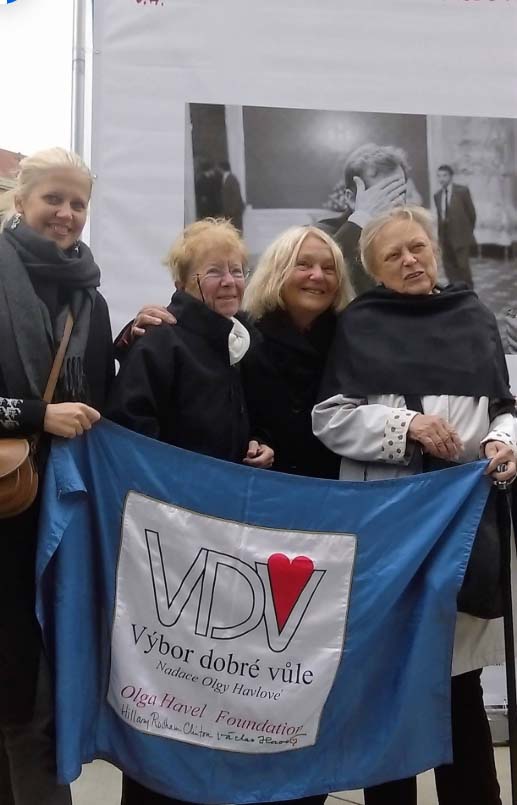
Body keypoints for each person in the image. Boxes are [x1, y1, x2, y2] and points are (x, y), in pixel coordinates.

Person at [312, 205, 516, 805]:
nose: (410, 260)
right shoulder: (360, 323)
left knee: (460, 686)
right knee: (387, 684)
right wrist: (407, 426)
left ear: (435, 251)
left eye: (417, 247)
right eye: (393, 254)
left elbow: (504, 406)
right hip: (389, 526)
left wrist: (503, 440)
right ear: (375, 270)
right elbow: (330, 418)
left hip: (463, 524)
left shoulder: (473, 315)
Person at [105, 218, 274, 804]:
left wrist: (257, 447)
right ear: (184, 281)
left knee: (205, 692)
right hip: (169, 549)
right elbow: (132, 435)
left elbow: (240, 423)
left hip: (221, 548)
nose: (230, 281)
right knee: (163, 696)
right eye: (214, 271)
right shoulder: (161, 342)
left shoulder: (239, 343)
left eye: (237, 270)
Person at [0, 147, 115, 805]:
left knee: (39, 688)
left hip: (61, 514)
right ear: (21, 201)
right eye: (54, 198)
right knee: (24, 697)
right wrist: (37, 414)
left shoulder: (88, 295)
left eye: (78, 203)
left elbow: (98, 397)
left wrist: (131, 346)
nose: (67, 213)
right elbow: (56, 411)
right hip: (5, 511)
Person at [318, 143, 408, 295]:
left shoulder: (407, 235)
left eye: (399, 192)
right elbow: (322, 270)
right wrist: (362, 218)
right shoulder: (322, 234)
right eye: (383, 195)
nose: (396, 203)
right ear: (351, 199)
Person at [434, 164, 476, 288]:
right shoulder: (437, 195)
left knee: (463, 266)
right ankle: (456, 290)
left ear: (451, 176)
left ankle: (469, 291)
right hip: (445, 236)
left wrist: (467, 232)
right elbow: (440, 216)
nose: (441, 179)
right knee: (449, 266)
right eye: (439, 176)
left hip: (460, 235)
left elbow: (471, 214)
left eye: (444, 175)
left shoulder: (462, 191)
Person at [219, 160, 245, 232]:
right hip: (229, 212)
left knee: (235, 230)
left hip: (234, 212)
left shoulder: (232, 179)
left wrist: (232, 210)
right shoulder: (226, 178)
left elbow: (236, 195)